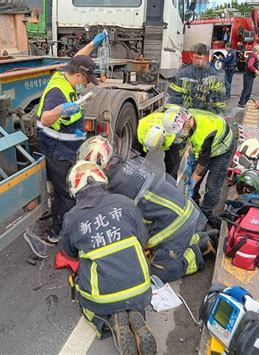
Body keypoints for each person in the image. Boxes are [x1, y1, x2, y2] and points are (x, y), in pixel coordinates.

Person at [76, 136, 218, 283]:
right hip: (180, 211)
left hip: (175, 223)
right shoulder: (129, 162)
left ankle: (199, 252)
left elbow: (123, 221)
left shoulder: (115, 184)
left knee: (157, 274)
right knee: (155, 251)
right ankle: (195, 238)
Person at [61, 161, 156, 354]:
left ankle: (107, 320)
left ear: (74, 190)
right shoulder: (125, 202)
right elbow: (143, 239)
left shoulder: (72, 218)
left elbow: (69, 253)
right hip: (140, 288)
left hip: (103, 297)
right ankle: (134, 311)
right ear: (102, 180)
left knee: (81, 280)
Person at [35, 31, 107, 243]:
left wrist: (93, 44)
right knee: (67, 192)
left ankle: (58, 222)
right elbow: (46, 118)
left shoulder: (66, 74)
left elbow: (77, 58)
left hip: (67, 145)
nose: (85, 85)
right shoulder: (58, 91)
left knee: (60, 192)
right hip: (57, 150)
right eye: (86, 80)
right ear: (77, 75)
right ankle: (58, 233)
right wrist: (61, 111)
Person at [181, 109, 235, 228]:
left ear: (188, 122)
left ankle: (206, 213)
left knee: (213, 184)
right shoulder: (187, 115)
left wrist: (190, 185)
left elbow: (200, 168)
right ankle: (194, 201)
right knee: (193, 177)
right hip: (210, 143)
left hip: (222, 149)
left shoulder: (203, 136)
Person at [168, 43, 226, 114]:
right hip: (186, 114)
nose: (198, 61)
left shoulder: (212, 74)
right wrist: (173, 112)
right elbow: (174, 95)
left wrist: (220, 113)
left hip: (206, 114)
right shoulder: (182, 73)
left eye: (201, 58)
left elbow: (218, 97)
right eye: (196, 58)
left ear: (205, 58)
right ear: (191, 56)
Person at [137, 105, 190, 178]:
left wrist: (170, 182)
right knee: (138, 158)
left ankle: (169, 179)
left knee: (172, 163)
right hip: (152, 124)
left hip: (172, 138)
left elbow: (178, 162)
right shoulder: (140, 130)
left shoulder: (173, 135)